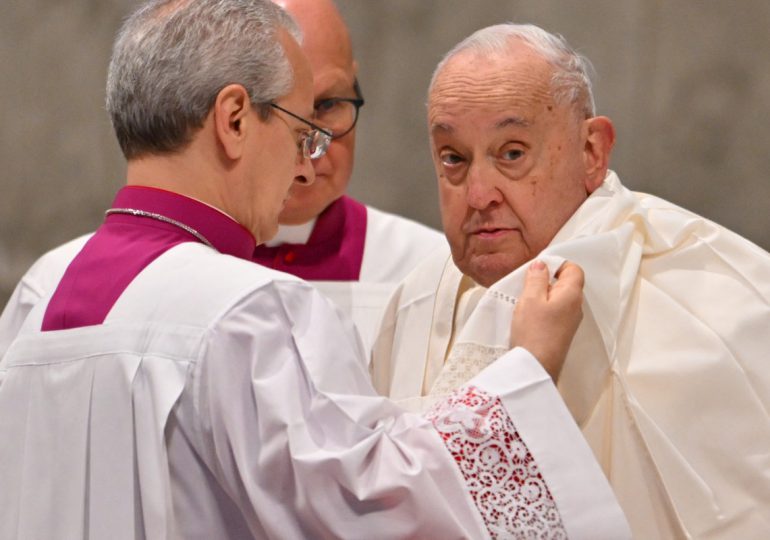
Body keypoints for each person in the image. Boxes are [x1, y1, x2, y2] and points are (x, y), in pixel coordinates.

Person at [0, 3, 630, 539]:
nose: (306, 166)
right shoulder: (244, 310)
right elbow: (374, 512)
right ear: (235, 120)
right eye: (303, 130)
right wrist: (524, 375)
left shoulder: (39, 289)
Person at [370, 23, 770, 539]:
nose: (477, 194)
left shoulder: (712, 295)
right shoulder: (414, 300)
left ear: (592, 151)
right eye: (454, 159)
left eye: (512, 153)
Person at [0, 0, 444, 358]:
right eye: (297, 120)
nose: (312, 155)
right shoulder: (51, 287)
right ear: (232, 119)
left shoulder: (432, 271)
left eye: (329, 105)